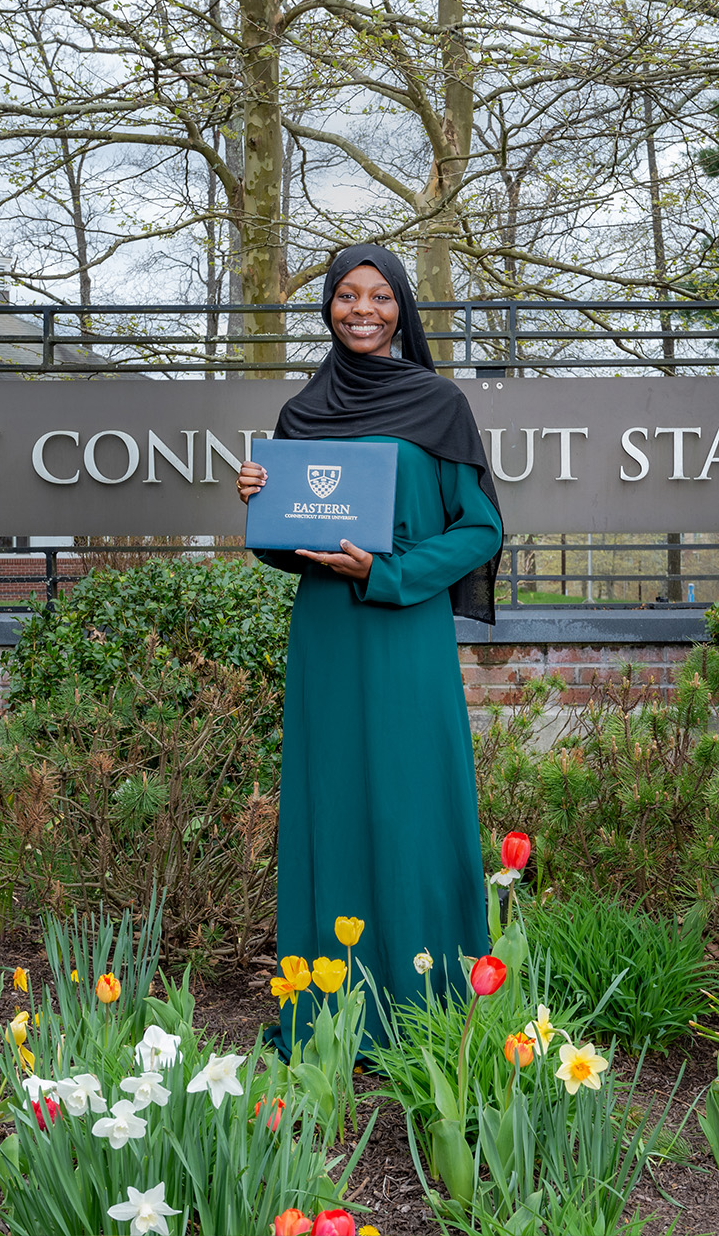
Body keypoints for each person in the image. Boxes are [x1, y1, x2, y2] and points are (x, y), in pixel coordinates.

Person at [236, 243, 504, 1055]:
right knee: (332, 806)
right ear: (327, 307)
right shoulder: (301, 414)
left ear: (402, 310)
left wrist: (388, 572)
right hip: (326, 633)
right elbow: (289, 547)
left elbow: (481, 528)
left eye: (380, 296)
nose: (363, 310)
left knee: (413, 804)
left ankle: (427, 1009)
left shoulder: (439, 404)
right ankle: (328, 1018)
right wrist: (260, 507)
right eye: (347, 296)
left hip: (404, 629)